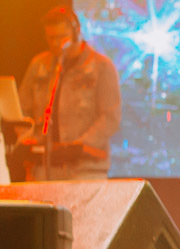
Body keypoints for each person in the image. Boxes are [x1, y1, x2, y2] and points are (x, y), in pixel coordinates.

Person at [16, 6, 121, 181]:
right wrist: (28, 137)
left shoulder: (101, 66)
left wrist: (79, 145)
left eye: (62, 37)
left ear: (77, 33)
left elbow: (110, 117)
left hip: (84, 170)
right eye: (51, 38)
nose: (56, 44)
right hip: (43, 167)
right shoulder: (39, 65)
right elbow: (20, 110)